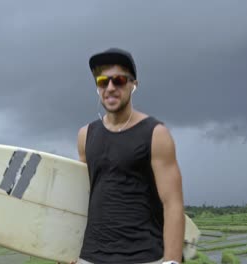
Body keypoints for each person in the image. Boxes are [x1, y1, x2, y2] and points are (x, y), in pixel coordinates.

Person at [72, 48, 185, 264]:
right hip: (91, 257)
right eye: (103, 81)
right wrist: (64, 249)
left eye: (119, 80)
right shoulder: (86, 135)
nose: (110, 88)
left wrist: (171, 261)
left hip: (143, 256)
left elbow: (173, 203)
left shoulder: (155, 134)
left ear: (134, 84)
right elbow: (79, 198)